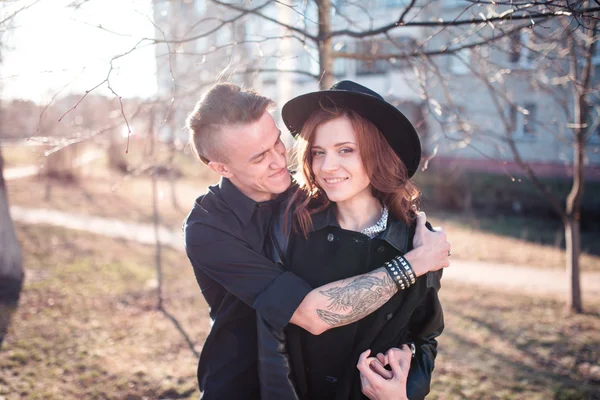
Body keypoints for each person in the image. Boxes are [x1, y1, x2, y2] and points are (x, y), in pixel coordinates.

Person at [183, 83, 450, 399]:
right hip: (240, 385)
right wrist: (416, 263)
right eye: (259, 157)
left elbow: (422, 334)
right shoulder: (210, 228)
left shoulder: (307, 203)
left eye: (278, 143)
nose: (281, 162)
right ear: (220, 168)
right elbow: (311, 315)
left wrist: (405, 389)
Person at [257, 80, 445, 400]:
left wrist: (403, 385)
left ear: (378, 154)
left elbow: (424, 337)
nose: (328, 167)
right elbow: (269, 335)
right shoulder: (289, 226)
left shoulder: (419, 240)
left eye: (346, 150)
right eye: (319, 152)